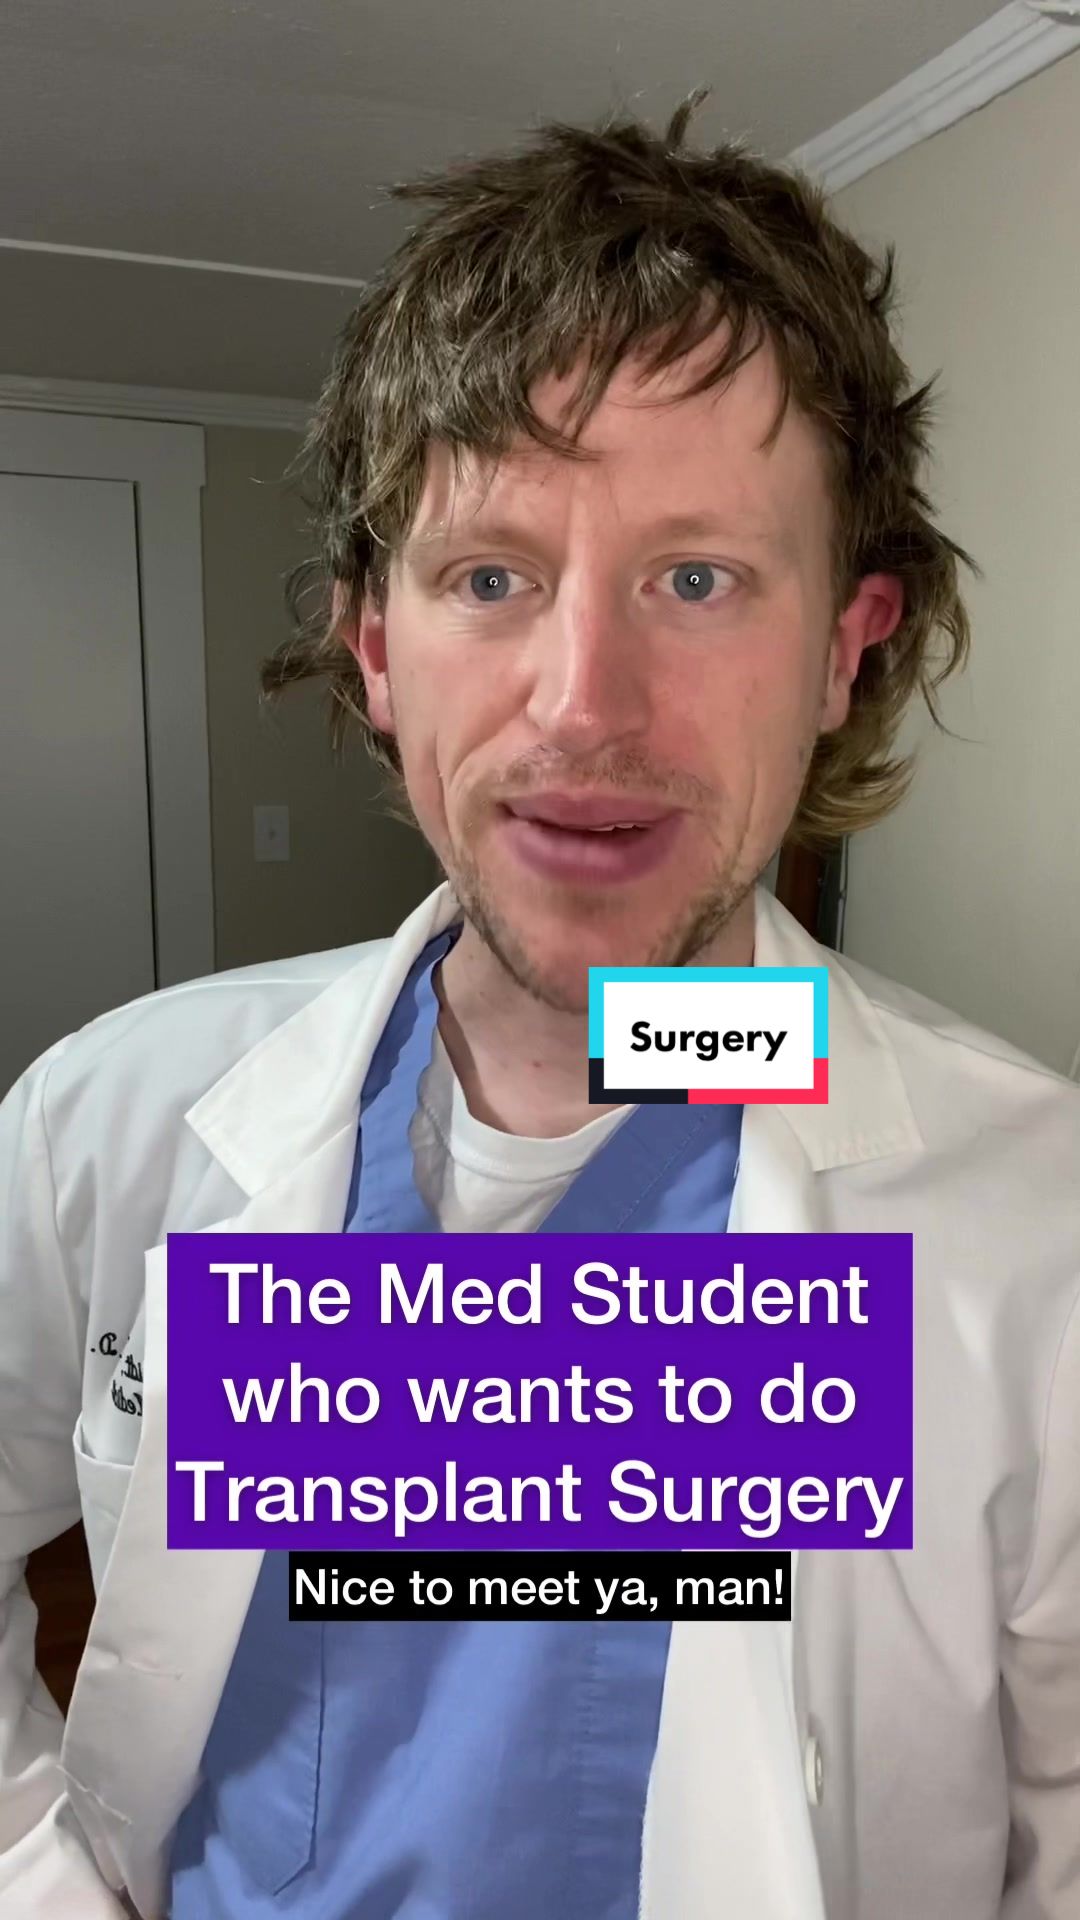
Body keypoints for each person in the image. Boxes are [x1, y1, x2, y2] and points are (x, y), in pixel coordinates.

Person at [1, 90, 1077, 1920]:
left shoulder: (1032, 1218)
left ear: (844, 649)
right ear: (378, 651)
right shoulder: (111, 1122)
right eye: (490, 576)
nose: (586, 702)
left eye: (698, 579)